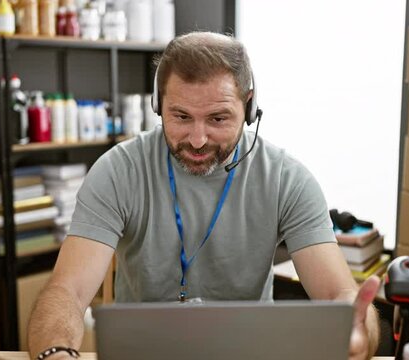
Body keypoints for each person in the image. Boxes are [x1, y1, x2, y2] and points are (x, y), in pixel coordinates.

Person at [28, 31, 380, 360]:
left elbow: (339, 295)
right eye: (180, 116)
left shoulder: (288, 180)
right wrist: (56, 352)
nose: (197, 139)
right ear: (157, 105)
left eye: (218, 119)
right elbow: (68, 292)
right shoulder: (118, 171)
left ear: (250, 109)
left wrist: (358, 331)